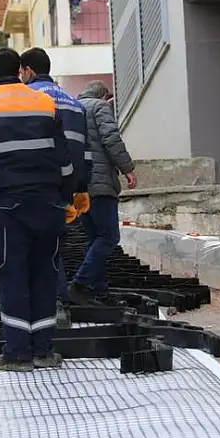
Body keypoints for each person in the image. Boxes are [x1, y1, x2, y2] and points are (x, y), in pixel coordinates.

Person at [0, 47, 78, 372]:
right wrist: (69, 197)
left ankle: (16, 353)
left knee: (13, 275)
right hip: (49, 203)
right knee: (44, 274)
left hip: (8, 204)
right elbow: (63, 155)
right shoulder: (44, 102)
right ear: (21, 71)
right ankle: (43, 351)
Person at [18, 47, 90, 318]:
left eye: (21, 72)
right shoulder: (75, 102)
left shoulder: (29, 97)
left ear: (29, 71)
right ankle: (56, 301)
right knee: (53, 242)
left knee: (37, 245)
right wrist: (82, 187)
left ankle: (55, 304)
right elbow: (85, 148)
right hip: (68, 183)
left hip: (39, 179)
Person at [68, 81, 137, 305]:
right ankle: (79, 284)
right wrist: (127, 169)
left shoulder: (72, 107)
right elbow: (111, 139)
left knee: (94, 239)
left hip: (78, 187)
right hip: (99, 185)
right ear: (104, 95)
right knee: (109, 237)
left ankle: (100, 293)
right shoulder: (100, 107)